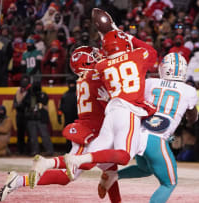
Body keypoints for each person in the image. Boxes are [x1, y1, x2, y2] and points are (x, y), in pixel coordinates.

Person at [0, 46, 120, 203]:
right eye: (94, 56)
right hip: (89, 134)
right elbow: (112, 107)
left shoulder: (85, 78)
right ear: (86, 62)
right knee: (67, 176)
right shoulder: (93, 77)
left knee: (111, 171)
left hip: (95, 131)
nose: (98, 57)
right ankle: (19, 180)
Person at [100, 53, 198, 203]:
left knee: (145, 169)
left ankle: (114, 176)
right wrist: (189, 115)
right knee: (169, 183)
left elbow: (130, 98)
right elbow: (192, 117)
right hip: (156, 139)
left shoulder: (150, 83)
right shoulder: (189, 91)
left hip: (137, 133)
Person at [63, 29, 157, 181]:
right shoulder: (136, 55)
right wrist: (127, 36)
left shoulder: (101, 66)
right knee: (124, 156)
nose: (98, 55)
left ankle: (49, 162)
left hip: (110, 113)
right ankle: (74, 160)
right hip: (125, 111)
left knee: (94, 161)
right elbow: (151, 52)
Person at [23, 81, 54, 156]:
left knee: (44, 135)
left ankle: (49, 150)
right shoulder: (29, 95)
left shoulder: (43, 94)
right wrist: (31, 95)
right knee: (33, 136)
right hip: (31, 118)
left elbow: (44, 101)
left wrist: (37, 96)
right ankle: (35, 151)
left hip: (41, 118)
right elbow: (25, 103)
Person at [58, 76, 79, 152]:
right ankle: (68, 150)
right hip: (68, 119)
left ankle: (76, 150)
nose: (71, 85)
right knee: (68, 135)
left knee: (77, 136)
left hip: (77, 119)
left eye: (73, 84)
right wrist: (59, 116)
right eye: (70, 84)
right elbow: (61, 107)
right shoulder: (65, 95)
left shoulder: (78, 94)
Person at [13, 75, 30, 155]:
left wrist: (20, 105)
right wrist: (17, 105)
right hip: (19, 114)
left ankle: (28, 150)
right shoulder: (18, 90)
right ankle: (20, 150)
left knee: (29, 133)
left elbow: (28, 103)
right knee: (20, 133)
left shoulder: (29, 91)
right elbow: (15, 101)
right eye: (23, 80)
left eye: (26, 80)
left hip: (26, 114)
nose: (24, 82)